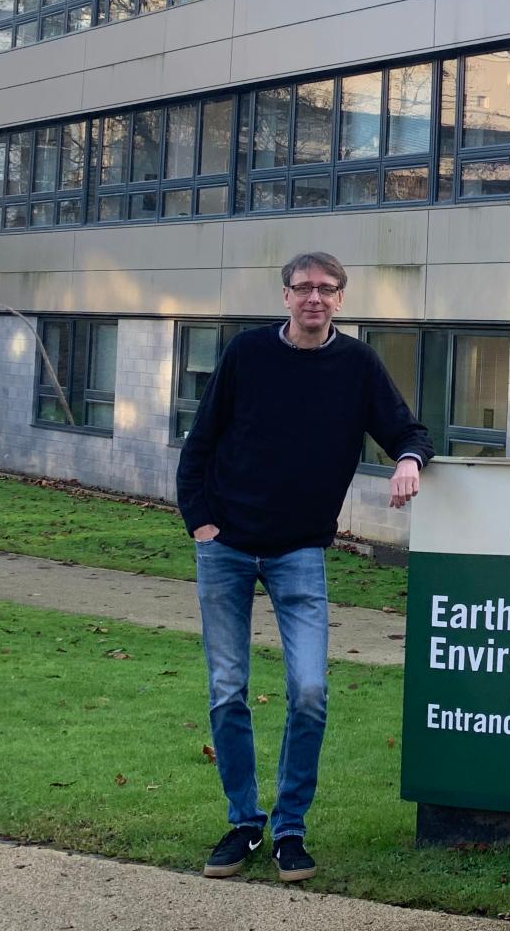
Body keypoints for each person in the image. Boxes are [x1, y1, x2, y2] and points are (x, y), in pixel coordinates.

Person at [176, 251, 431, 884]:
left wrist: (409, 461)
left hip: (299, 554)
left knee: (310, 692)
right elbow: (199, 442)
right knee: (227, 690)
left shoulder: (357, 364)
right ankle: (243, 823)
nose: (315, 297)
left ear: (341, 298)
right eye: (303, 288)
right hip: (225, 546)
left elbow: (408, 430)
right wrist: (201, 524)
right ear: (285, 296)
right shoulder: (247, 354)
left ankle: (290, 829)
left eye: (326, 288)